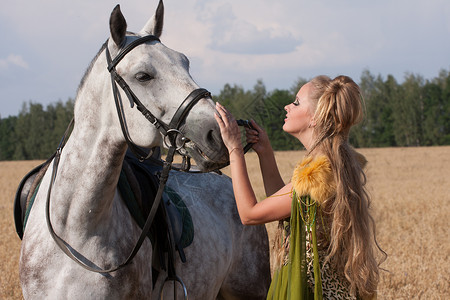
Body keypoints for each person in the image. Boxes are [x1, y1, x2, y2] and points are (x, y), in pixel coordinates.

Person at [214, 75, 385, 299]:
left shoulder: (316, 175)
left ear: (314, 118)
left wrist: (235, 149)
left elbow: (249, 214)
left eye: (296, 102)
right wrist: (265, 153)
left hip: (307, 290)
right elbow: (287, 209)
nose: (287, 106)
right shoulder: (330, 165)